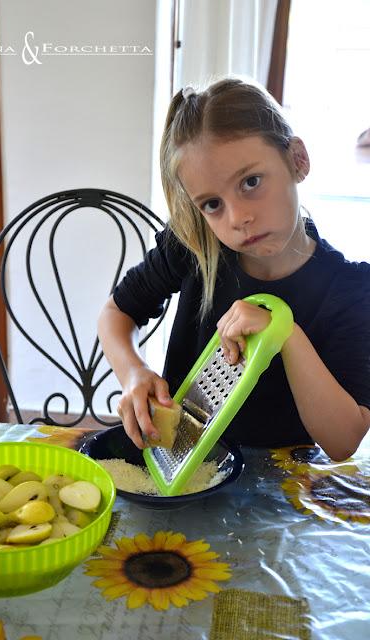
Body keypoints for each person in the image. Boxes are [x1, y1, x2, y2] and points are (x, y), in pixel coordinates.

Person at [97, 77, 370, 460]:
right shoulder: (195, 247)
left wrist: (285, 333)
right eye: (212, 204)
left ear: (298, 160)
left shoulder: (352, 288)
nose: (238, 218)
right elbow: (116, 312)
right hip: (187, 467)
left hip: (282, 485)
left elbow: (343, 443)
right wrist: (132, 373)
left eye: (251, 182)